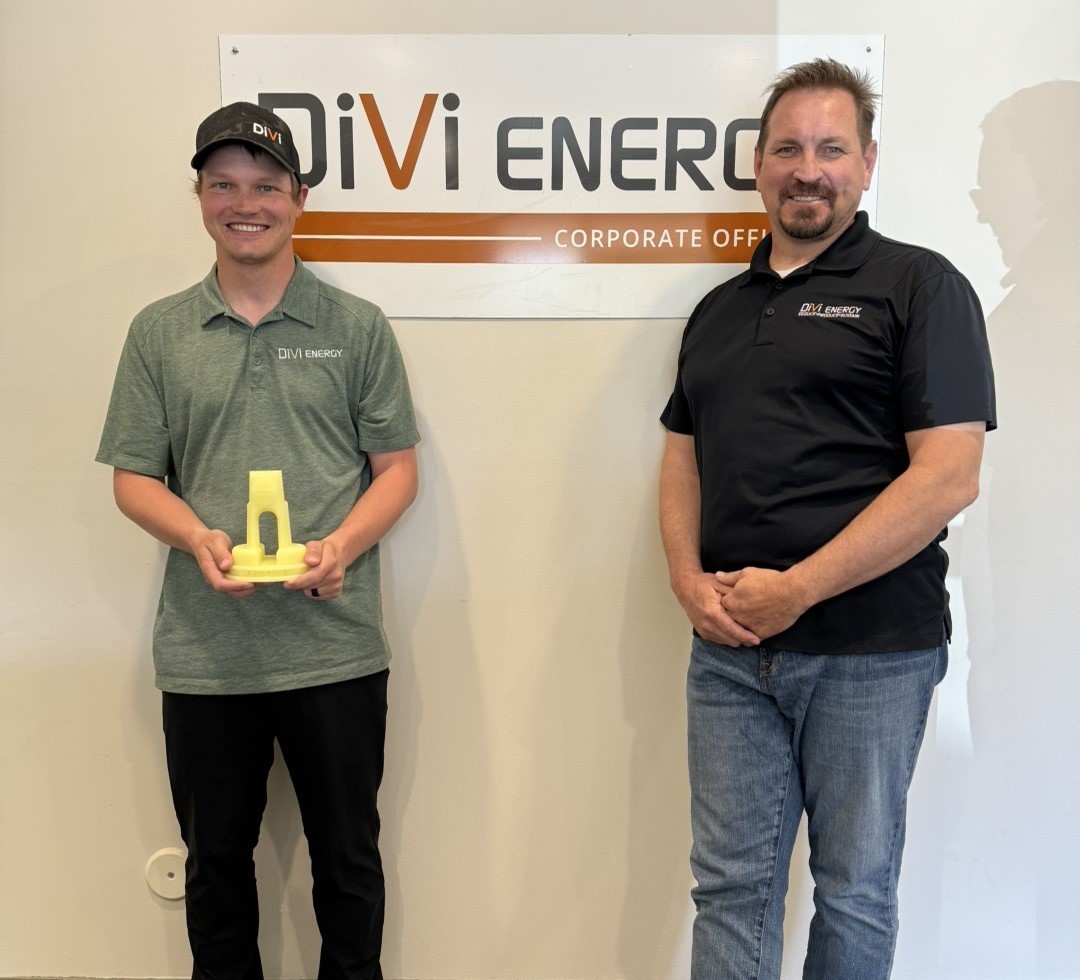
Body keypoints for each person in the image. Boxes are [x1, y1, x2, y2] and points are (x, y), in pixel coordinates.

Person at [658, 59, 995, 980]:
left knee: (852, 892)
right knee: (729, 889)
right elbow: (682, 455)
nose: (808, 170)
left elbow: (950, 476)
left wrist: (798, 590)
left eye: (832, 149)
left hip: (870, 653)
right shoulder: (718, 311)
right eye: (788, 149)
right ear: (759, 165)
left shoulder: (920, 286)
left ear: (868, 163)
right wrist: (686, 580)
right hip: (729, 652)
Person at [96, 102, 419, 980]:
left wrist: (341, 546)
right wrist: (196, 536)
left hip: (336, 650)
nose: (246, 204)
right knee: (215, 875)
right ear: (201, 197)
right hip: (207, 655)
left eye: (266, 186)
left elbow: (397, 471)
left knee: (348, 869)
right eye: (224, 185)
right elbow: (133, 478)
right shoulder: (158, 332)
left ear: (299, 198)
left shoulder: (356, 326)